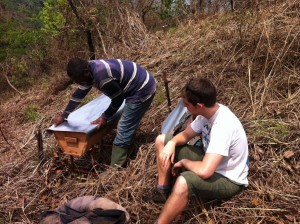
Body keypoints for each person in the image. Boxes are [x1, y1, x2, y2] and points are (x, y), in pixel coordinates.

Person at [152, 77, 249, 224]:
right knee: (161, 140)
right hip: (209, 159)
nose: (185, 108)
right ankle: (162, 191)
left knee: (184, 181)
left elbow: (205, 171)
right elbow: (185, 135)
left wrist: (184, 162)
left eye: (187, 105)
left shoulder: (223, 125)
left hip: (227, 178)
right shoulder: (207, 113)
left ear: (199, 105)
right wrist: (171, 142)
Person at [52, 58, 156, 167]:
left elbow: (118, 100)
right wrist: (64, 116)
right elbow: (79, 94)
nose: (75, 83)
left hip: (142, 89)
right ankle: (128, 145)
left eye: (77, 79)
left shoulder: (102, 77)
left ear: (86, 72)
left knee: (123, 128)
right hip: (137, 82)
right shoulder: (90, 70)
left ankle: (116, 169)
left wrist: (105, 116)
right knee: (124, 119)